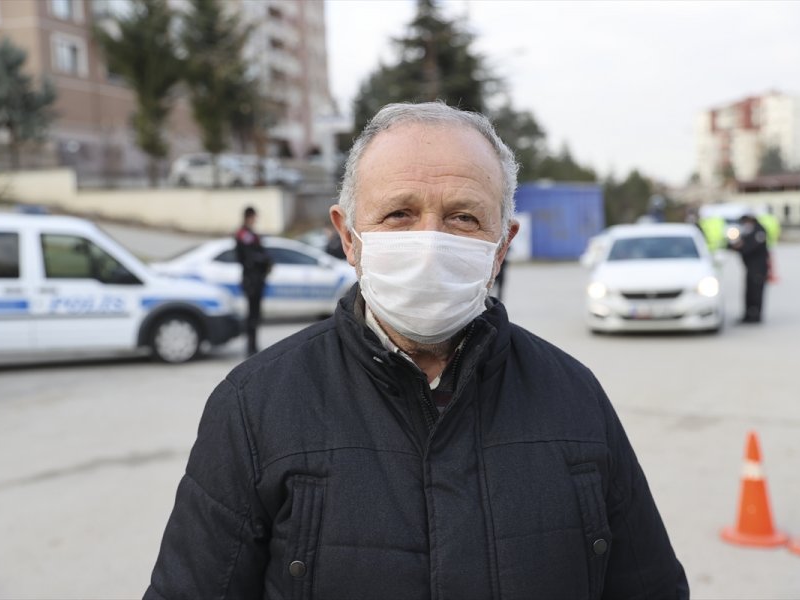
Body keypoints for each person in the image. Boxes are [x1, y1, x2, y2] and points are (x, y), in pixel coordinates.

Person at [145, 102, 688, 599]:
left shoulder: (575, 398)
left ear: (502, 246)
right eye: (399, 214)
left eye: (464, 218)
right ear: (349, 237)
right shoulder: (254, 407)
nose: (431, 243)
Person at [235, 206, 272, 355]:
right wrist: (265, 260)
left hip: (257, 279)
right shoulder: (244, 234)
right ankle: (250, 348)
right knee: (252, 315)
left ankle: (253, 346)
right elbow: (250, 256)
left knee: (256, 315)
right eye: (254, 216)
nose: (256, 219)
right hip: (252, 280)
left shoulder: (250, 233)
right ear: (249, 216)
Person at [728, 213, 769, 323]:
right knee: (748, 292)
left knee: (756, 293)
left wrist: (738, 247)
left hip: (758, 269)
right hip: (750, 268)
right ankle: (747, 315)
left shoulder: (759, 231)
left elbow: (748, 248)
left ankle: (756, 316)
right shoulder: (748, 231)